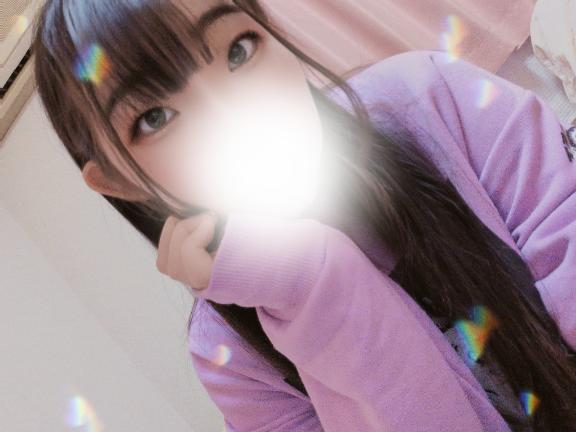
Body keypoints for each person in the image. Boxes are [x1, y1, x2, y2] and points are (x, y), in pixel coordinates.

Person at [32, 0, 576, 430]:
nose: (234, 116)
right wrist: (310, 284)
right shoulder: (228, 353)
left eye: (239, 51)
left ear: (268, 29)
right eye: (155, 117)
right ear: (120, 182)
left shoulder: (428, 98)